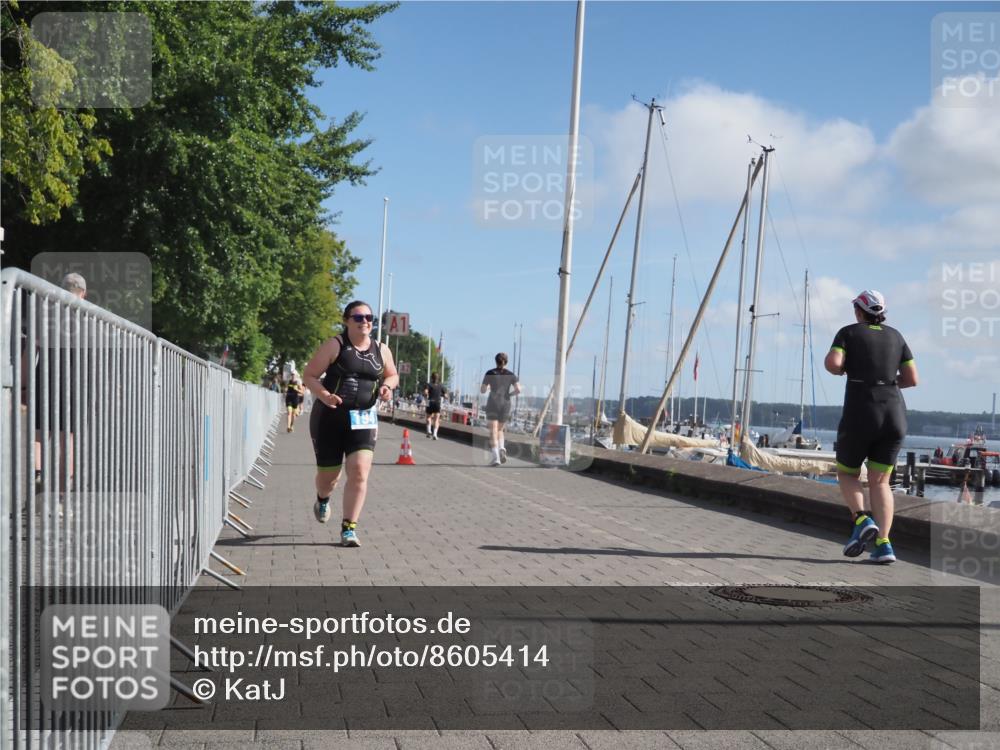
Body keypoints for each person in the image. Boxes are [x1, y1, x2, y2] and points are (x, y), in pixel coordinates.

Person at [824, 289, 918, 564]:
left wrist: (846, 370)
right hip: (894, 415)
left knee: (847, 473)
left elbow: (833, 363)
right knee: (881, 482)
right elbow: (912, 378)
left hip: (861, 412)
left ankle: (861, 519)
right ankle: (884, 545)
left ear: (859, 311)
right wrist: (886, 381)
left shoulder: (848, 333)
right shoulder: (897, 336)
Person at [303, 301, 398, 547]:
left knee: (359, 471)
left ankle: (349, 529)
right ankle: (323, 498)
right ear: (346, 321)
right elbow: (309, 375)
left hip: (364, 418)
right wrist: (325, 395)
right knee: (329, 478)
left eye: (369, 317)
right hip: (330, 417)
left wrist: (387, 387)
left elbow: (392, 374)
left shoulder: (382, 349)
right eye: (358, 317)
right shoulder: (335, 345)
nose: (365, 321)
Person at [481, 352, 520, 466]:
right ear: (506, 362)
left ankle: (496, 458)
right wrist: (509, 395)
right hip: (506, 403)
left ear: (496, 361)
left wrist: (488, 387)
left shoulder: (490, 373)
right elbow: (518, 390)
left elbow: (483, 390)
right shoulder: (511, 375)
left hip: (493, 403)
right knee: (500, 429)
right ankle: (502, 448)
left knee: (493, 430)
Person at [424, 372, 446, 439]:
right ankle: (435, 435)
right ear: (438, 378)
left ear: (431, 378)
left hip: (430, 402)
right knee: (436, 419)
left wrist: (426, 395)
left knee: (428, 417)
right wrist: (443, 396)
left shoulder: (429, 384)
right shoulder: (441, 386)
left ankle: (429, 430)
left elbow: (425, 392)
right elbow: (446, 395)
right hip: (437, 403)